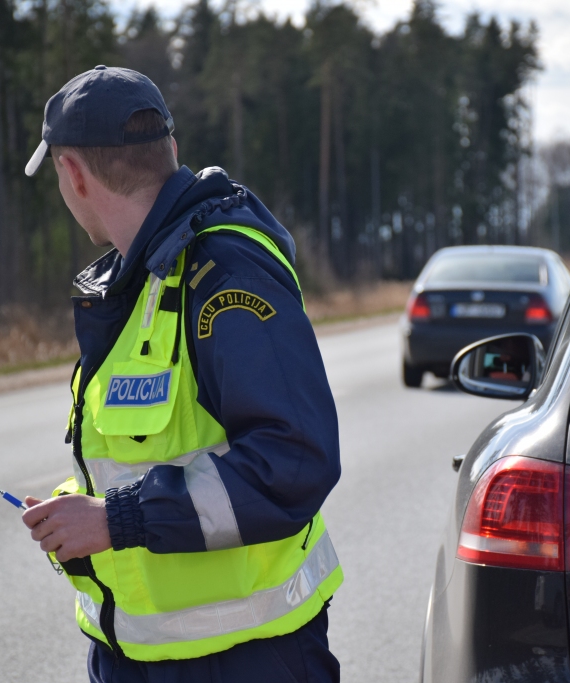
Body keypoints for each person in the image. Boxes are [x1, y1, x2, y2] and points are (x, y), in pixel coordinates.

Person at [20, 65, 343, 683]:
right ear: (170, 149)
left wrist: (116, 520)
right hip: (139, 656)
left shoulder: (225, 272)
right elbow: (159, 451)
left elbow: (293, 460)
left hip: (249, 658)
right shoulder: (141, 279)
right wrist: (80, 507)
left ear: (73, 174)